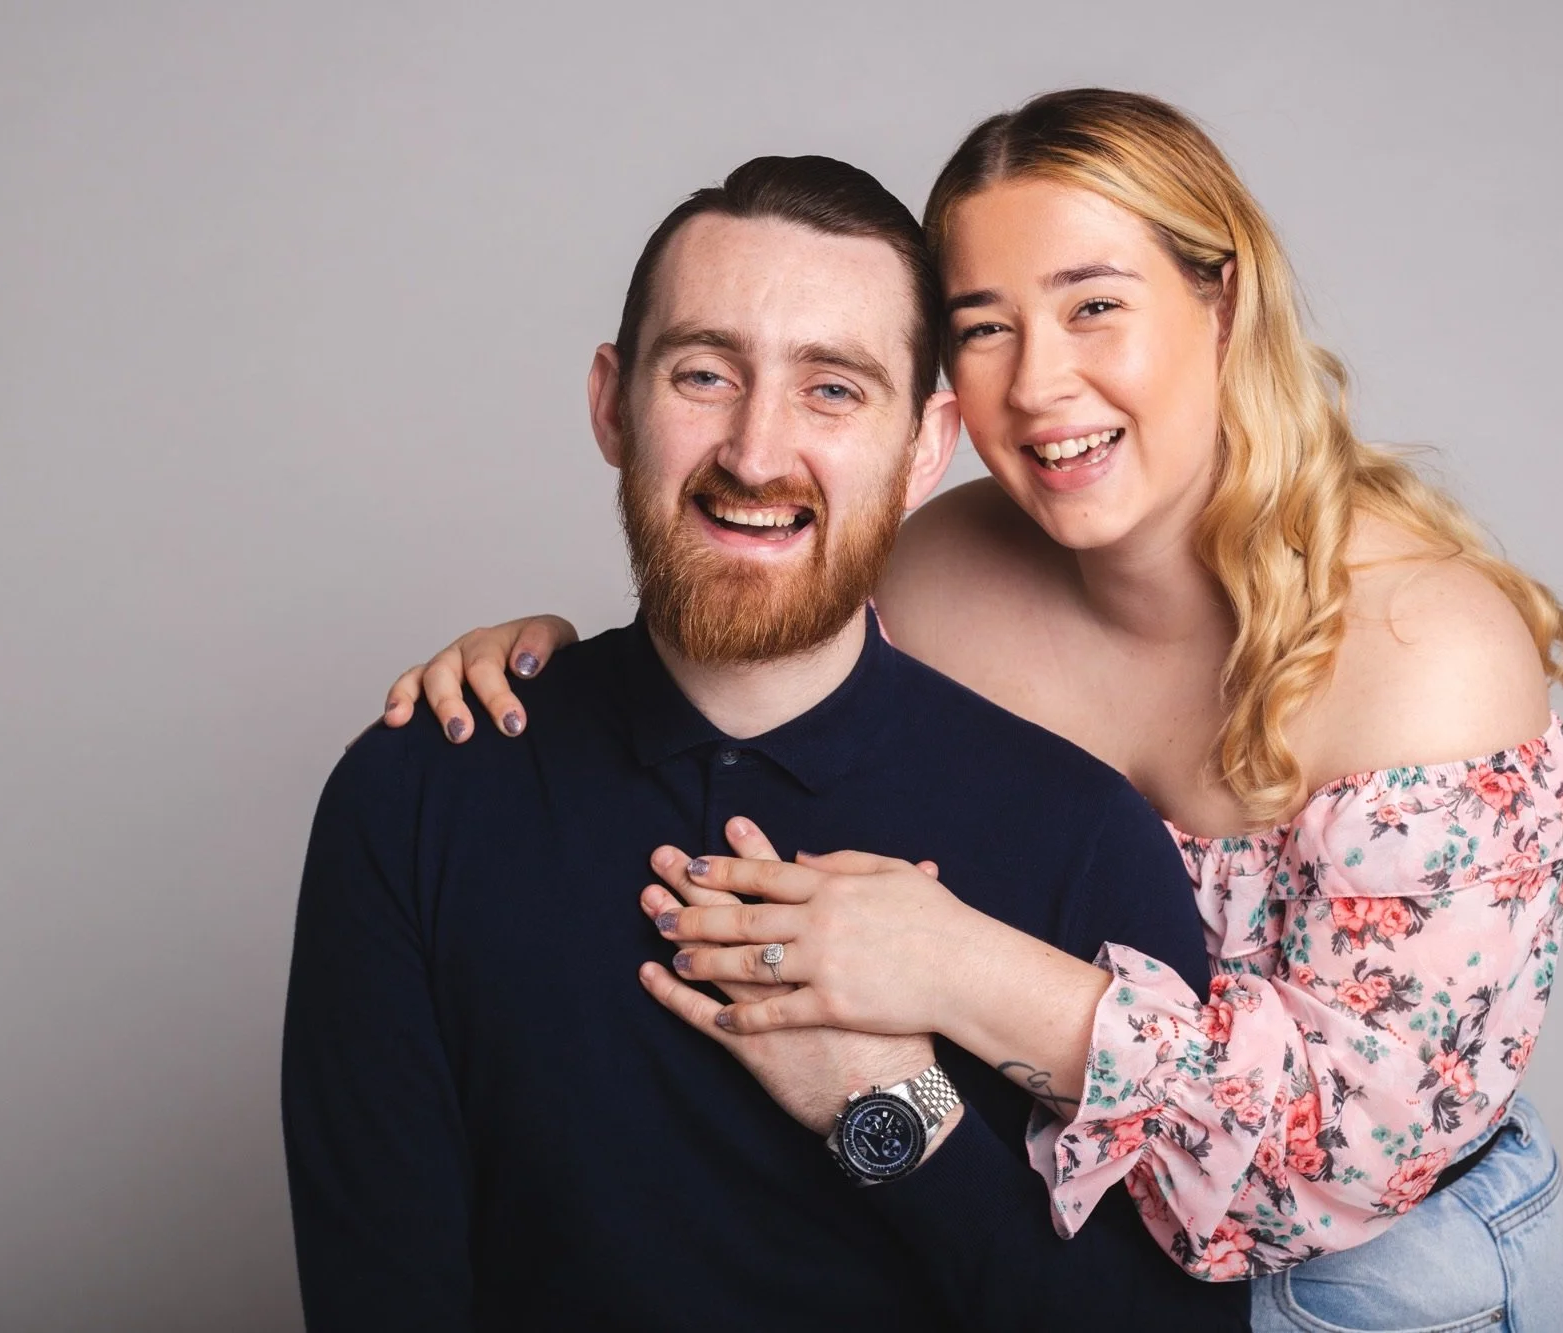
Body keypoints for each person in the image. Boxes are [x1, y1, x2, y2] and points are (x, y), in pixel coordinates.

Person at [385, 90, 1563, 1332]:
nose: (1037, 384)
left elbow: (1323, 1172)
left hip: (1371, 1274)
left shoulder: (1424, 648)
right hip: (1047, 1258)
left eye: (1093, 308)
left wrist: (956, 967)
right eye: (982, 326)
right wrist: (560, 669)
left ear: (1221, 302)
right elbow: (743, 659)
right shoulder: (935, 567)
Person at [282, 152, 1249, 1332]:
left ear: (920, 446)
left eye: (832, 389)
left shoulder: (1076, 831)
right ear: (610, 403)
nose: (752, 451)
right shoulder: (417, 792)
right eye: (703, 373)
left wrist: (887, 1118)